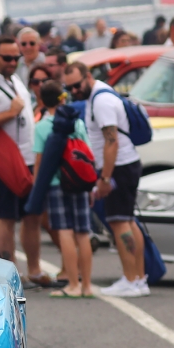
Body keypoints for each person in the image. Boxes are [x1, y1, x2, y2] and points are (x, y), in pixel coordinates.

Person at [63, 61, 147, 297]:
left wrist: (105, 178)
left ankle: (131, 280)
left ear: (88, 76)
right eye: (70, 88)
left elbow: (112, 141)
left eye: (77, 85)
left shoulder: (101, 102)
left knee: (120, 223)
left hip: (118, 167)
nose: (75, 91)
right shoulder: (102, 94)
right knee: (128, 222)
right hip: (125, 164)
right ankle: (139, 278)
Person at [0, 36, 47, 286]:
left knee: (32, 215)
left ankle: (34, 269)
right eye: (7, 58)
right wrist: (10, 113)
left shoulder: (14, 79)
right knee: (6, 217)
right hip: (5, 162)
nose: (13, 61)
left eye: (16, 57)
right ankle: (8, 274)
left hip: (27, 158)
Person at [33, 80, 93, 298]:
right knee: (83, 233)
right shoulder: (75, 122)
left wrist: (36, 187)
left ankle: (73, 284)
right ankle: (87, 286)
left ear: (42, 100)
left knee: (65, 232)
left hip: (56, 184)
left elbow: (40, 161)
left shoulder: (41, 126)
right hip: (79, 181)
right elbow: (87, 152)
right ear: (63, 98)